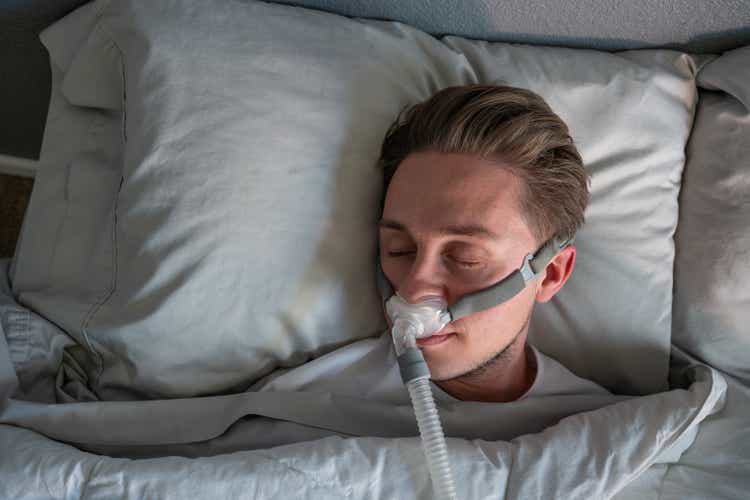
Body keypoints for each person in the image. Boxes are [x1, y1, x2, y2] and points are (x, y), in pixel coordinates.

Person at [254, 84, 609, 404]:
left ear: (550, 275)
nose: (413, 289)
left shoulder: (605, 433)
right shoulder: (298, 407)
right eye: (399, 251)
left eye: (464, 256)